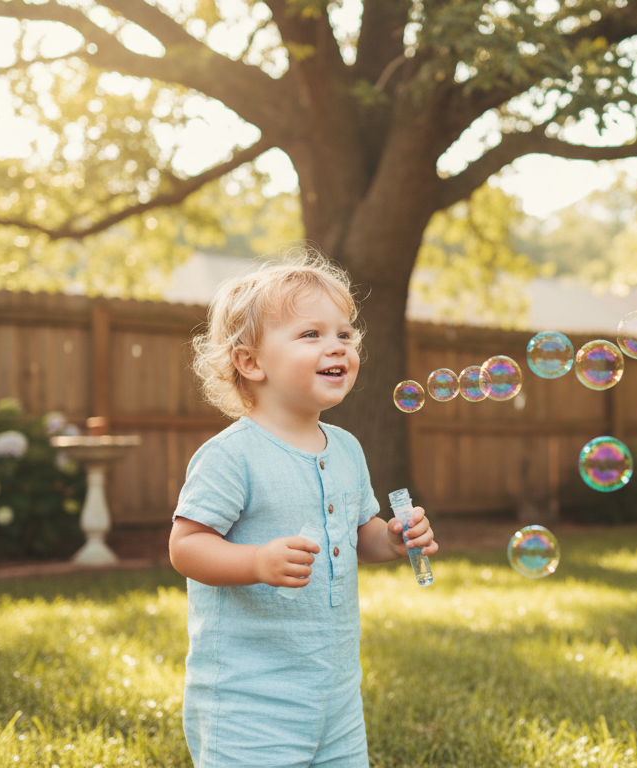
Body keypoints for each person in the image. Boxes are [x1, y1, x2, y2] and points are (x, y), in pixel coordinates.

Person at [169, 251, 438, 767]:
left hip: (335, 693)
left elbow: (363, 535)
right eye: (310, 334)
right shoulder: (232, 456)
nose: (337, 345)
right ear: (251, 361)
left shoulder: (346, 448)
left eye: (345, 333)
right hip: (250, 700)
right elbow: (185, 547)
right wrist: (255, 562)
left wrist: (394, 539)